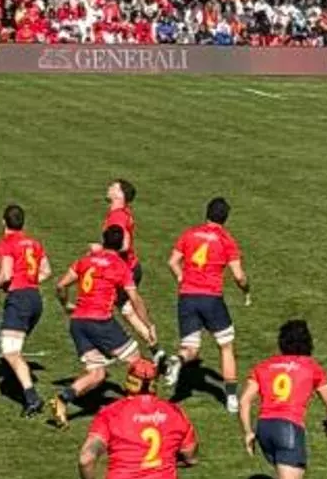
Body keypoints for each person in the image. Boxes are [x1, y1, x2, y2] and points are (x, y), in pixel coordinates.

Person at [51, 225, 159, 429]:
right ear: (121, 244)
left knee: (97, 374)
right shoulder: (120, 266)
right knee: (137, 362)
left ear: (103, 240)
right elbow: (135, 299)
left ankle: (62, 399)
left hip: (78, 323)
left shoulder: (85, 260)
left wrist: (65, 304)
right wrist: (148, 325)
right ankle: (139, 412)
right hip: (100, 321)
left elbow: (60, 285)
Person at [163, 197, 251, 414]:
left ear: (207, 213)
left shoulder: (190, 234)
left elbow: (172, 261)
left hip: (187, 297)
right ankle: (231, 397)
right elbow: (239, 276)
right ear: (226, 218)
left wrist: (182, 278)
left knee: (191, 348)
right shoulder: (226, 240)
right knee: (226, 346)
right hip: (211, 299)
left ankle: (179, 360)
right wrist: (246, 290)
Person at [239, 319, 327, 479]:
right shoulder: (312, 368)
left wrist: (248, 431)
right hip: (289, 429)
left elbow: (244, 401)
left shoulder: (263, 366)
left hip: (264, 428)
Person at [77, 359, 198, 479]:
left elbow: (86, 459)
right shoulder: (175, 413)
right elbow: (190, 457)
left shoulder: (111, 413)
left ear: (129, 382)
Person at [0, 204, 52, 416]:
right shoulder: (34, 243)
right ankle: (19, 379)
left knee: (10, 351)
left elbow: (6, 275)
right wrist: (30, 281)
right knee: (14, 349)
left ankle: (32, 398)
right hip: (35, 298)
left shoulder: (6, 244)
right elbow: (47, 271)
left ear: (3, 222)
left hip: (19, 300)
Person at [100, 179, 163, 362]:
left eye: (113, 187)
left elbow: (125, 244)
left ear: (120, 195)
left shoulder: (117, 217)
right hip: (129, 269)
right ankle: (156, 349)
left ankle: (110, 348)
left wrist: (102, 250)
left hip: (123, 271)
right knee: (127, 310)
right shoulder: (121, 213)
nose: (109, 188)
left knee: (100, 306)